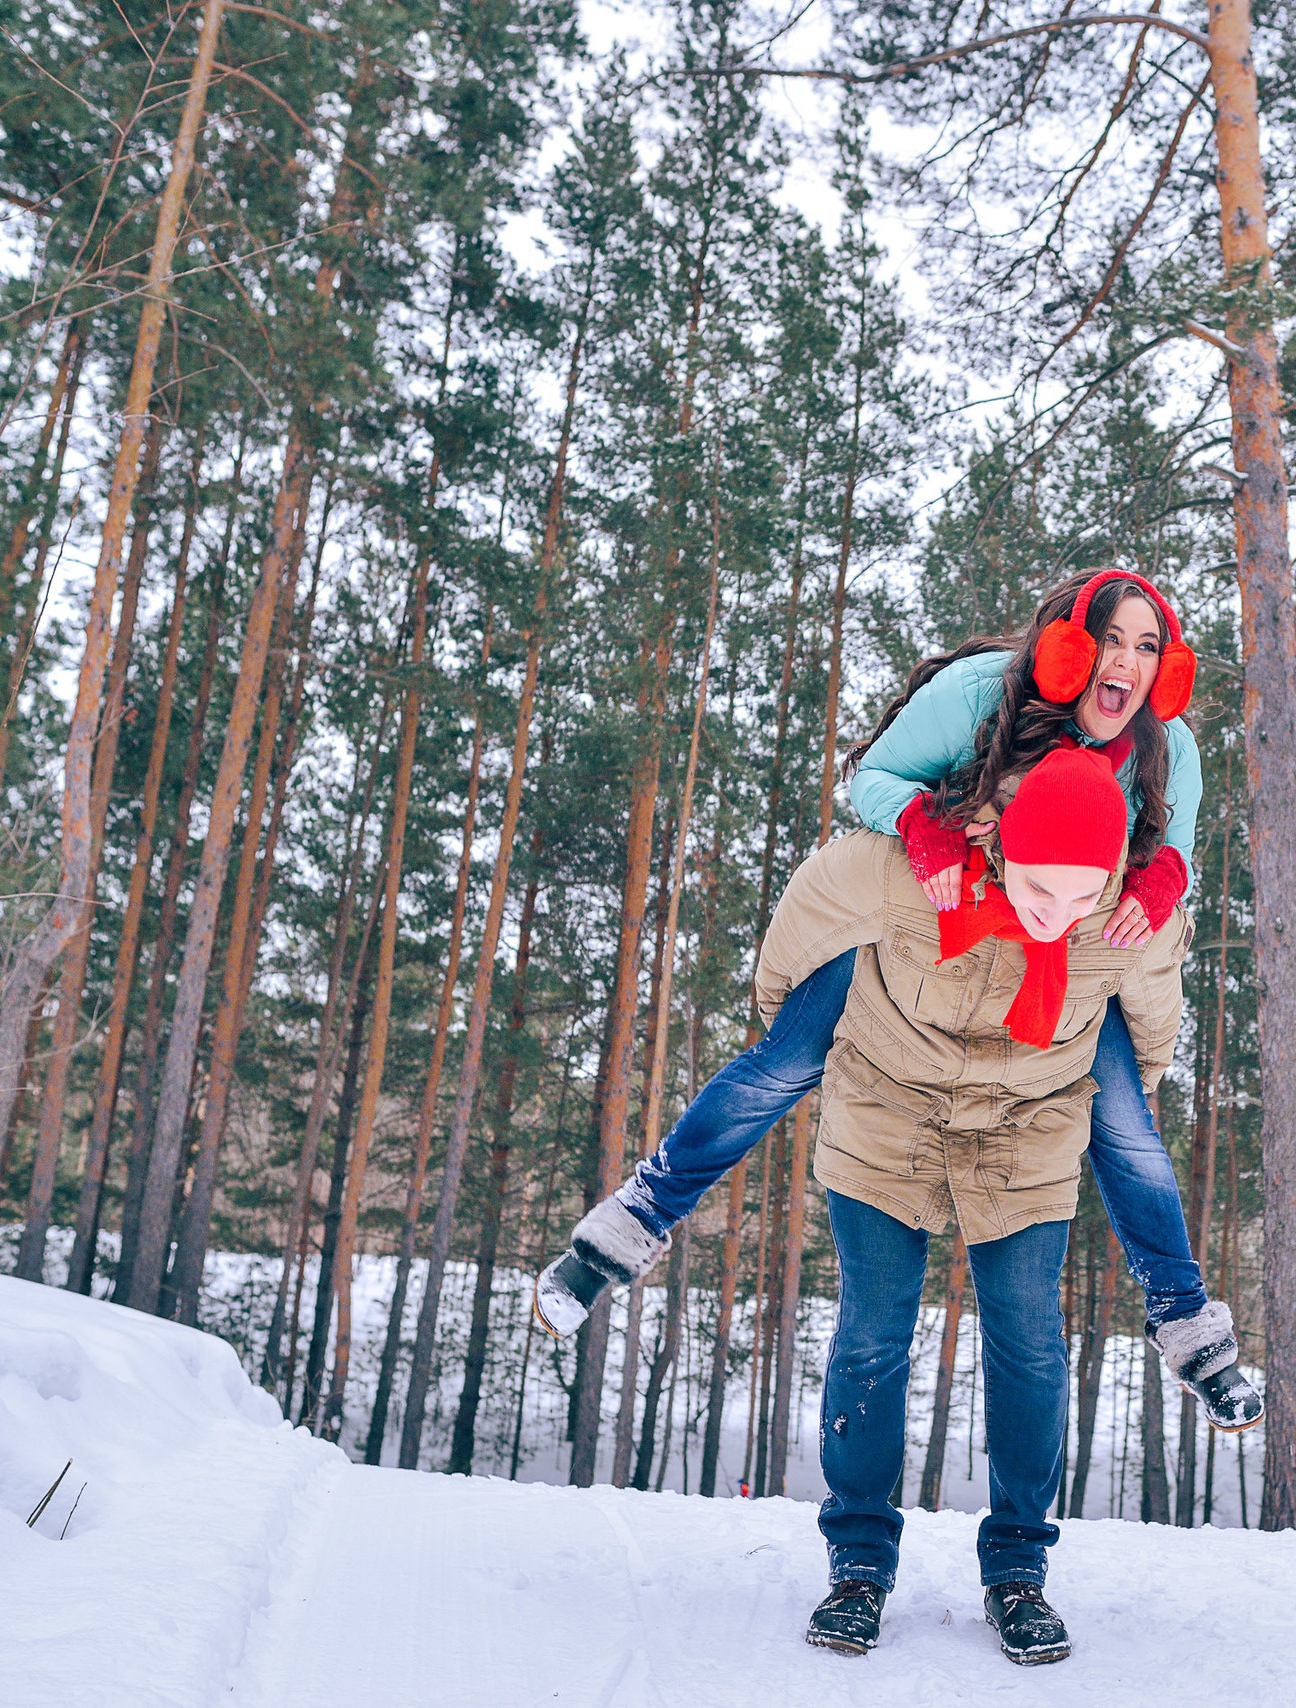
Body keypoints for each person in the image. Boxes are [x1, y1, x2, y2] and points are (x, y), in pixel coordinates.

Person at [532, 570, 1257, 1429]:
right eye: (1111, 640)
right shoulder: (979, 695)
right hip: (929, 911)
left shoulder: (1167, 743)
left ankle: (1187, 1324)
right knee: (786, 1061)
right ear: (1069, 647)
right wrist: (927, 828)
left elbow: (1176, 850)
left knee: (1125, 1123)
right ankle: (628, 1226)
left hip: (1059, 940)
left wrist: (1162, 881)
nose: (1128, 665)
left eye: (1148, 648)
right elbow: (872, 779)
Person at [549, 748, 1222, 1664]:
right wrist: (822, 1024)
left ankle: (1018, 1571)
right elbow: (789, 964)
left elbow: (1147, 1040)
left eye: (1078, 896)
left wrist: (1079, 1083)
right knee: (871, 1335)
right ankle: (858, 1565)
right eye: (1036, 888)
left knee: (1028, 1342)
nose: (1055, 916)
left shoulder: (1134, 920)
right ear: (999, 840)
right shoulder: (892, 871)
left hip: (1027, 1129)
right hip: (886, 1114)